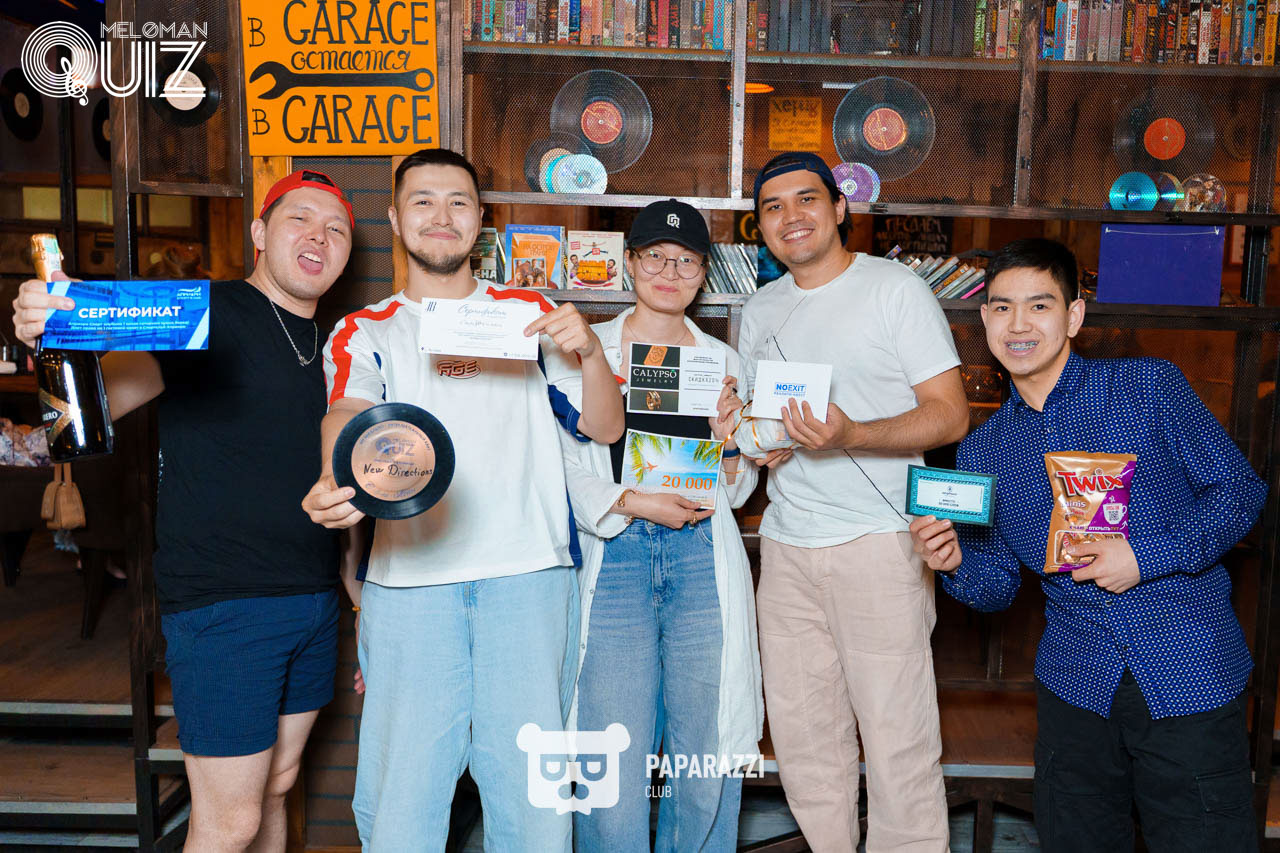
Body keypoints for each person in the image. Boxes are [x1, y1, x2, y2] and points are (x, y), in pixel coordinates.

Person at [11, 170, 362, 853]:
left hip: (311, 599)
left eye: (336, 228)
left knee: (279, 786)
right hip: (224, 602)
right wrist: (53, 330)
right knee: (230, 822)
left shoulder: (338, 343)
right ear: (260, 232)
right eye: (299, 218)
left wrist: (352, 588)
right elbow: (96, 405)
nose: (319, 236)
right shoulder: (206, 313)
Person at [300, 148, 624, 852]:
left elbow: (604, 427)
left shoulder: (533, 314)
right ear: (395, 219)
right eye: (422, 200)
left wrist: (592, 353)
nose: (440, 216)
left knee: (533, 803)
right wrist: (336, 474)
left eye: (457, 202)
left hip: (529, 579)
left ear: (481, 221)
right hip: (411, 587)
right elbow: (347, 413)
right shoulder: (368, 329)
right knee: (403, 801)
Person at [909, 238, 1266, 852]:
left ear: (1073, 315)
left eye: (1039, 305)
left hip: (1186, 669)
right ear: (985, 321)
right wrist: (956, 562)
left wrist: (1145, 556)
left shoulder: (1147, 387)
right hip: (1076, 684)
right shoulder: (984, 449)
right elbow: (998, 585)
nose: (1019, 324)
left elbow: (1239, 492)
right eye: (1002, 308)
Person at [718, 152, 968, 852]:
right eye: (772, 206)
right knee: (805, 742)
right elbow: (771, 425)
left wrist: (853, 434)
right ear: (760, 225)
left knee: (898, 741)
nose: (791, 216)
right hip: (788, 546)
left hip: (880, 543)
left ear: (839, 207)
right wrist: (747, 434)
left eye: (806, 199)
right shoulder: (760, 309)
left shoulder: (894, 289)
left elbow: (949, 414)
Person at [547, 200, 763, 852]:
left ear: (704, 273)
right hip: (616, 553)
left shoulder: (722, 359)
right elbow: (557, 466)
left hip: (700, 552)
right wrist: (634, 502)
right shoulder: (581, 348)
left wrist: (729, 443)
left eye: (686, 261)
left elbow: (736, 487)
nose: (670, 272)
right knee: (610, 746)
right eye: (655, 257)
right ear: (630, 263)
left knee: (705, 749)